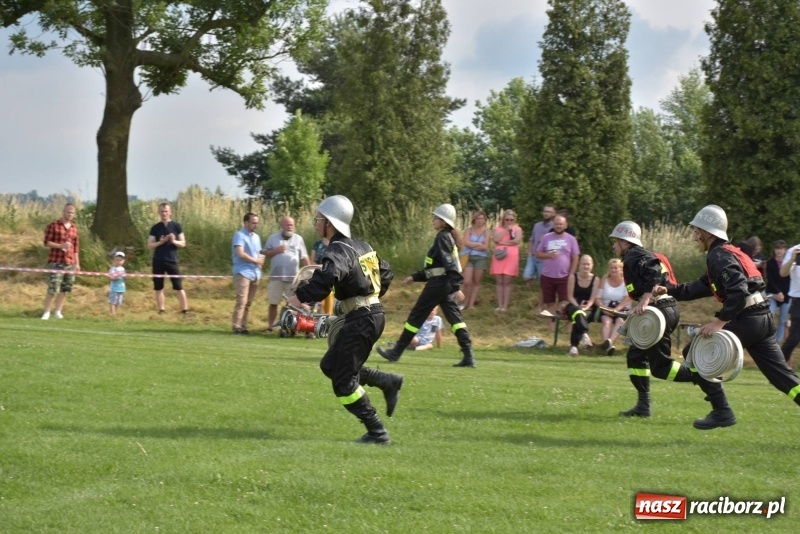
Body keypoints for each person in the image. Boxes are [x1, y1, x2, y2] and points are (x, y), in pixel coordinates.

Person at [659, 205, 800, 428]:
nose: (694, 236)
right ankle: (721, 410)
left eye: (696, 231)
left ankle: (722, 411)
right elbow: (699, 287)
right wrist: (667, 288)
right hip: (762, 318)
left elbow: (737, 289)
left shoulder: (718, 256)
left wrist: (720, 322)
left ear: (706, 232)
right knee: (783, 378)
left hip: (748, 319)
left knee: (693, 353)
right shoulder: (728, 253)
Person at [286, 195, 401, 445]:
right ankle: (386, 381)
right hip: (371, 315)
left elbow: (328, 277)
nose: (315, 222)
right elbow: (387, 272)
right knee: (330, 365)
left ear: (330, 223)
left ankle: (377, 432)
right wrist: (369, 296)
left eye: (318, 218)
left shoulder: (337, 249)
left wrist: (300, 298)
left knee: (343, 383)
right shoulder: (364, 246)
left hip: (362, 319)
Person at [609, 221, 701, 422]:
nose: (614, 247)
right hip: (665, 310)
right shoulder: (640, 255)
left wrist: (644, 299)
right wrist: (638, 306)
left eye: (616, 242)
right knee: (636, 356)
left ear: (625, 242)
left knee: (661, 368)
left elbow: (653, 273)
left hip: (659, 311)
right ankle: (643, 405)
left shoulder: (634, 255)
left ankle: (702, 376)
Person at [378, 203, 476, 368]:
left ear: (444, 221)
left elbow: (450, 264)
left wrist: (456, 284)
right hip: (443, 284)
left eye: (436, 217)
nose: (433, 220)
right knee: (455, 320)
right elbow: (436, 268)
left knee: (416, 316)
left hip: (439, 285)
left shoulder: (443, 237)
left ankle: (396, 352)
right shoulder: (447, 237)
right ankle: (469, 356)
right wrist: (415, 277)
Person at [262, 216, 310, 332]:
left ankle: (289, 327)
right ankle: (270, 327)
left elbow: (304, 257)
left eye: (291, 225)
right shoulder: (273, 238)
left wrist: (310, 273)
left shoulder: (298, 239)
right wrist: (276, 250)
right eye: (287, 225)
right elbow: (264, 253)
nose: (289, 227)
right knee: (273, 303)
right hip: (276, 277)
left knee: (292, 305)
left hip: (293, 279)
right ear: (282, 226)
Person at [535, 215, 580, 322]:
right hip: (547, 275)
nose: (558, 226)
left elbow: (575, 257)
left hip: (564, 276)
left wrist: (571, 274)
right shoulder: (546, 237)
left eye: (561, 224)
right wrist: (548, 255)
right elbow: (537, 253)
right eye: (556, 224)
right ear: (553, 225)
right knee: (549, 301)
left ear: (565, 225)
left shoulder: (571, 239)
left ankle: (558, 317)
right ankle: (551, 322)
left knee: (563, 300)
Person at [147, 202, 188, 314]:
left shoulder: (176, 226)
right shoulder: (155, 228)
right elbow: (150, 245)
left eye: (166, 211)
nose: (164, 213)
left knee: (178, 285)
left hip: (172, 260)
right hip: (158, 260)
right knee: (158, 286)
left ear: (170, 212)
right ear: (159, 212)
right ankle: (161, 309)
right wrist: (160, 242)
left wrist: (173, 241)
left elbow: (183, 243)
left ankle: (184, 310)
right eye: (162, 211)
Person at [41, 203, 80, 320]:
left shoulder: (74, 228)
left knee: (65, 289)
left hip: (70, 263)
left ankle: (58, 311)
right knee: (53, 288)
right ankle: (46, 312)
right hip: (56, 261)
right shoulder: (54, 226)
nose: (70, 214)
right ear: (63, 212)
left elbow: (76, 248)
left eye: (72, 213)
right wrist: (60, 246)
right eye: (68, 212)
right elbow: (46, 242)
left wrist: (77, 263)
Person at [231, 213, 264, 335]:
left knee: (248, 302)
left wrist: (261, 262)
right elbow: (240, 253)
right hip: (243, 272)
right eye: (253, 222)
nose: (256, 225)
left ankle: (243, 325)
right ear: (246, 223)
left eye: (257, 222)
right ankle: (236, 326)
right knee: (242, 301)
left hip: (255, 273)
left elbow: (260, 253)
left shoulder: (256, 237)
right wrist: (256, 260)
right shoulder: (239, 235)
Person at [594, 258, 632, 355]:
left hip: (621, 309)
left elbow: (628, 298)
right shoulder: (604, 280)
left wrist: (616, 310)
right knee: (606, 322)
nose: (613, 270)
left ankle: (609, 342)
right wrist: (604, 308)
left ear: (621, 270)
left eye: (616, 268)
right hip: (606, 309)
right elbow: (597, 298)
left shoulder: (627, 281)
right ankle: (609, 347)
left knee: (620, 321)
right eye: (611, 268)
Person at [566, 254, 600, 355]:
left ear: (592, 266)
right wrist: (578, 306)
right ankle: (584, 334)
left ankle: (574, 347)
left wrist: (586, 307)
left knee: (579, 316)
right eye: (584, 264)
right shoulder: (573, 277)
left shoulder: (596, 279)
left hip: (588, 307)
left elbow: (593, 299)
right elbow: (570, 296)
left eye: (588, 264)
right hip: (573, 304)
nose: (586, 266)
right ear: (579, 265)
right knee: (577, 312)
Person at [489, 209, 523, 312]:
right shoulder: (497, 228)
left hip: (511, 256)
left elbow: (516, 241)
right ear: (503, 219)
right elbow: (495, 239)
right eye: (507, 219)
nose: (509, 221)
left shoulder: (518, 229)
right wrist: (506, 230)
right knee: (499, 281)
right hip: (499, 256)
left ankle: (505, 305)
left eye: (511, 220)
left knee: (507, 281)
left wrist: (503, 243)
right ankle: (499, 305)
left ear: (514, 220)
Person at [460, 210, 489, 311]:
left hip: (480, 258)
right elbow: (465, 242)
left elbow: (485, 247)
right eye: (478, 218)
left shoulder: (486, 232)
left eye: (482, 218)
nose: (480, 220)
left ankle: (471, 304)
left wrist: (472, 244)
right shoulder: (469, 230)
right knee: (467, 281)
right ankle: (465, 301)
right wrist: (478, 245)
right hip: (468, 257)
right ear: (474, 219)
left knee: (476, 282)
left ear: (485, 220)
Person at [522, 204, 556, 287]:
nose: (546, 213)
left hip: (544, 258)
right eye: (545, 211)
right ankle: (533, 277)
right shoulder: (537, 225)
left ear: (553, 214)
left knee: (543, 283)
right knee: (526, 277)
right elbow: (531, 240)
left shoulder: (554, 227)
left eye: (549, 212)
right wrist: (529, 253)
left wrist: (545, 240)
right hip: (533, 256)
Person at [780, 242, 800, 367]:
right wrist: (793, 258)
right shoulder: (794, 250)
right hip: (798, 299)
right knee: (793, 339)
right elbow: (783, 273)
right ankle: (777, 370)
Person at [766, 240, 790, 344]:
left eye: (781, 249)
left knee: (782, 321)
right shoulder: (770, 263)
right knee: (769, 315)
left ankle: (777, 342)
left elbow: (791, 281)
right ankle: (767, 339)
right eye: (777, 248)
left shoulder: (789, 263)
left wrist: (783, 294)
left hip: (787, 295)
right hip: (773, 294)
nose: (779, 251)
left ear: (785, 250)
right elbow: (770, 280)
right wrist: (777, 293)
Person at [310, 236, 334, 315]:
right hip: (318, 275)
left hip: (331, 277)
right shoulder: (317, 244)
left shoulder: (335, 245)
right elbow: (312, 262)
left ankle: (328, 317)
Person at [107, 251, 126, 315]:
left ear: (123, 261)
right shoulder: (113, 269)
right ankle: (112, 313)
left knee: (118, 302)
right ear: (114, 260)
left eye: (120, 260)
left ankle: (116, 312)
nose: (118, 262)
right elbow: (110, 277)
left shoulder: (123, 269)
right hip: (114, 288)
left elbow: (124, 277)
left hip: (121, 288)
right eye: (117, 260)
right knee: (113, 301)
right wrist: (115, 278)